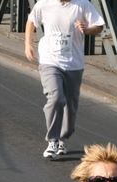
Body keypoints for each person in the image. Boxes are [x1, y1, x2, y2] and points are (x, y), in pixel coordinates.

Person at [24, 0, 104, 159]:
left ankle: (63, 138)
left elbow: (99, 25)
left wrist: (87, 30)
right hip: (50, 61)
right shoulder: (44, 4)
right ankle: (52, 140)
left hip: (74, 64)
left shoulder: (82, 4)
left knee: (71, 105)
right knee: (56, 98)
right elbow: (31, 21)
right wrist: (28, 44)